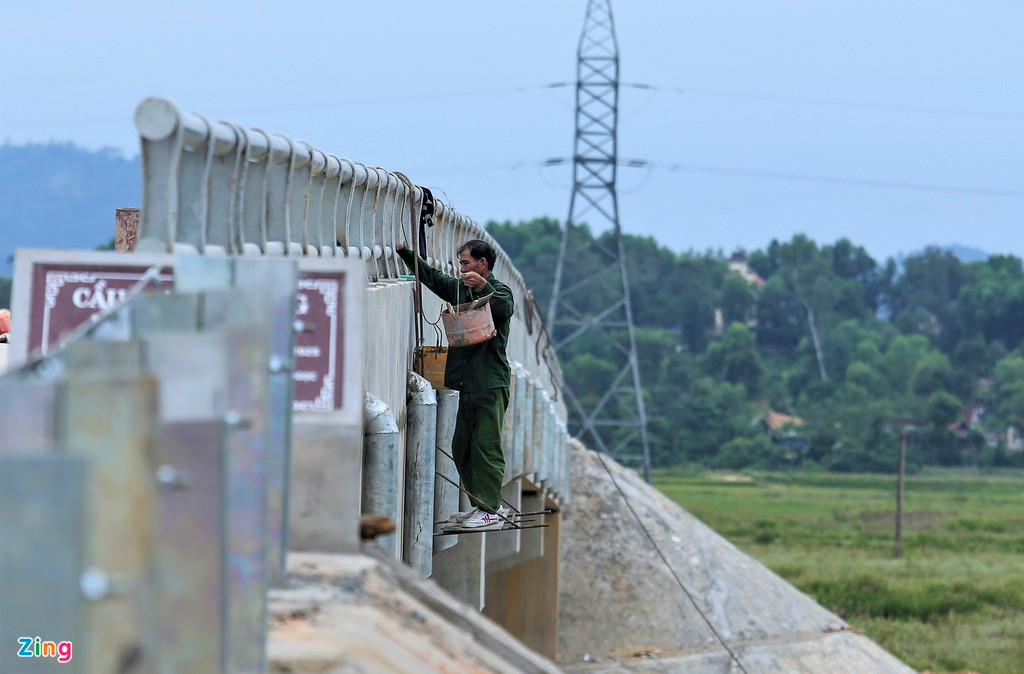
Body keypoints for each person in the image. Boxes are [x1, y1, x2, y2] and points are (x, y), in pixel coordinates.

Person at [396, 240, 514, 530]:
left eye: (466, 263)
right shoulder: (460, 289)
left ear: (483, 264)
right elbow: (433, 278)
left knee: (485, 447)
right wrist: (405, 253)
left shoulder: (498, 291)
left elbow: (505, 307)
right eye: (460, 264)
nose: (461, 269)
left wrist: (483, 288)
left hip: (489, 383)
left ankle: (489, 510)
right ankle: (482, 504)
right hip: (468, 384)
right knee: (461, 446)